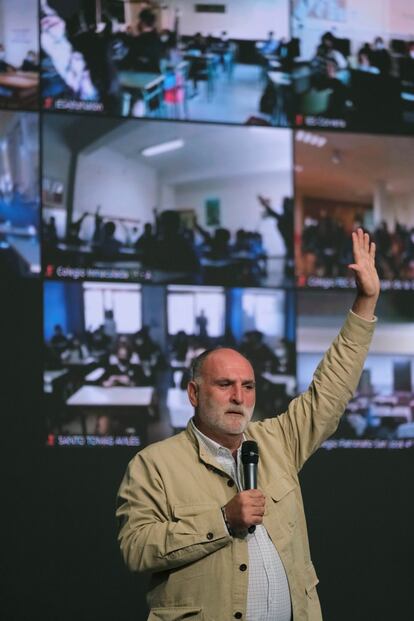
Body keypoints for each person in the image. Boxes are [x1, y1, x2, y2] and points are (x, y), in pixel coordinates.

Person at [116, 229, 380, 621]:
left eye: (248, 386)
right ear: (194, 393)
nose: (239, 396)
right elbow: (136, 548)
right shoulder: (154, 464)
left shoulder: (278, 441)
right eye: (225, 385)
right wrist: (222, 520)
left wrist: (365, 300)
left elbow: (331, 388)